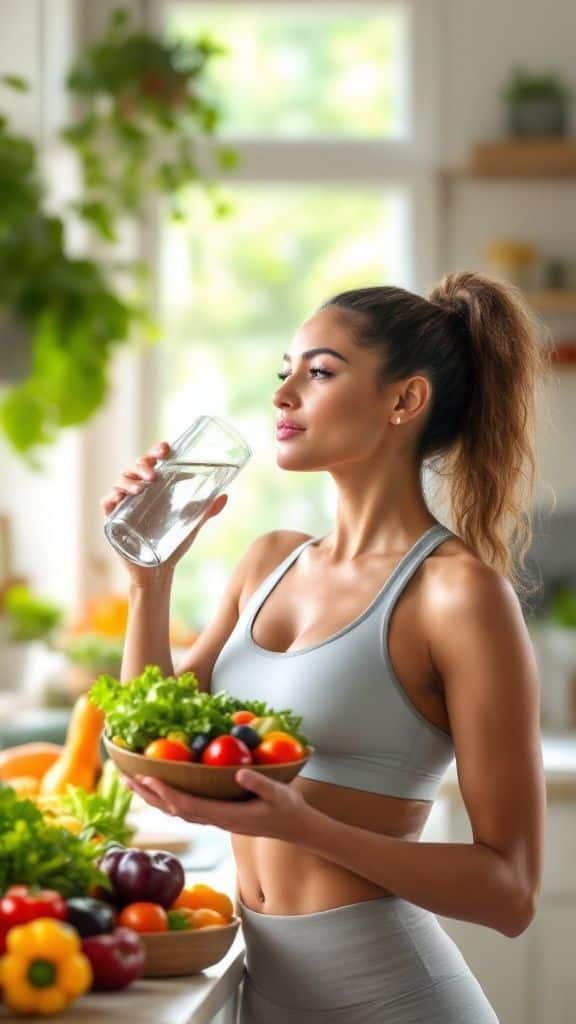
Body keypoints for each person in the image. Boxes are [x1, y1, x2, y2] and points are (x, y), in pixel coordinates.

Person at [101, 271, 548, 1023]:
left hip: (392, 999)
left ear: (405, 400)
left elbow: (511, 891)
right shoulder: (268, 561)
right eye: (286, 372)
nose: (283, 395)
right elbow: (148, 738)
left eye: (319, 372)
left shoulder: (456, 594)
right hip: (268, 991)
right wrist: (150, 581)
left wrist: (301, 825)